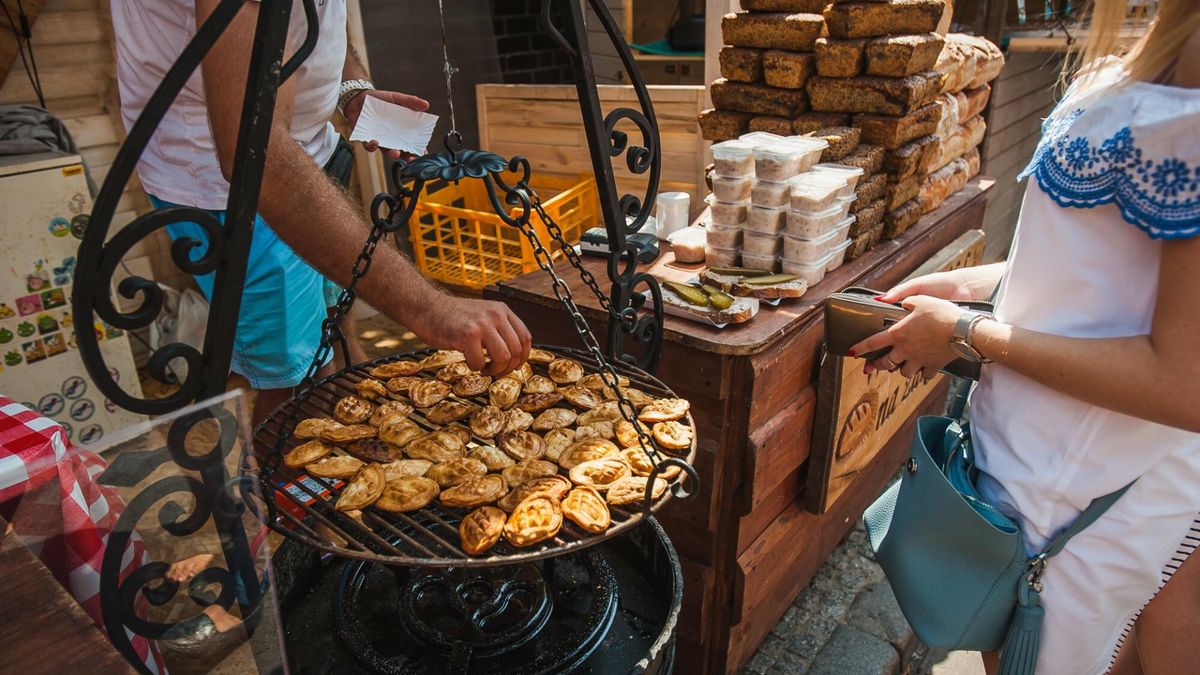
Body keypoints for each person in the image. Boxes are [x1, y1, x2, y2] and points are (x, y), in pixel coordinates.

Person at [850, 2, 1200, 672]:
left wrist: (966, 333)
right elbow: (1094, 276)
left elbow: (1185, 380)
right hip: (1031, 465)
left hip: (1083, 500)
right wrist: (969, 289)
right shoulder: (1141, 62)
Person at [111, 0, 531, 425]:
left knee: (338, 334)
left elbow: (314, 18)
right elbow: (254, 157)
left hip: (310, 152)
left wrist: (351, 90)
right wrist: (428, 307)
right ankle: (282, 489)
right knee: (300, 383)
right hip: (232, 188)